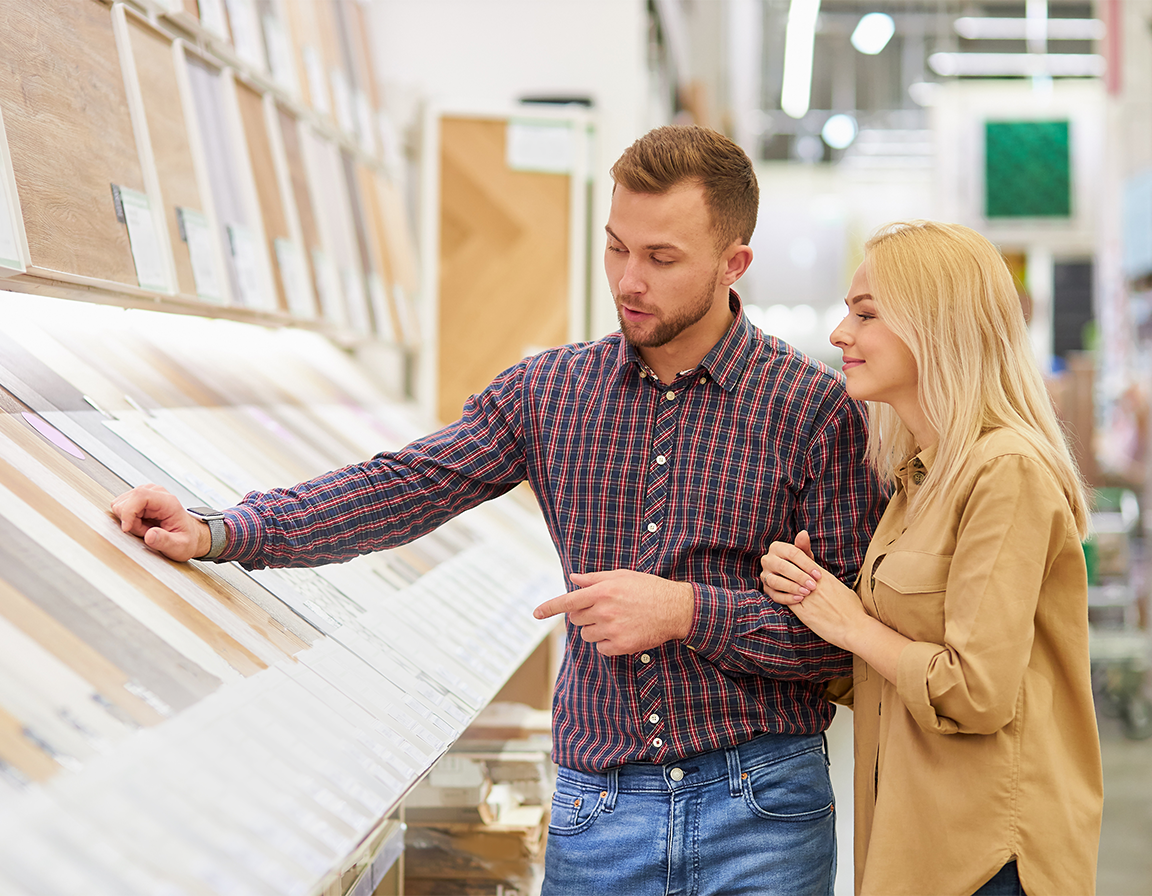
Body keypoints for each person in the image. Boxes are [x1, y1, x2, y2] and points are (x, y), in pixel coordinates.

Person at [111, 125, 887, 895]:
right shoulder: (549, 392)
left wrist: (687, 610)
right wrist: (220, 529)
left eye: (661, 258)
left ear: (733, 264)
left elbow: (845, 648)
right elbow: (401, 486)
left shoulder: (815, 412)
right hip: (599, 811)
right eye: (616, 247)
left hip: (762, 807)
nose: (628, 281)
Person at [761, 220, 1103, 896]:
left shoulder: (1006, 471)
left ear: (935, 328)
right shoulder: (918, 480)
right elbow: (894, 669)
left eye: (865, 314)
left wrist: (850, 623)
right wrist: (811, 603)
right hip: (915, 845)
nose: (839, 335)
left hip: (988, 857)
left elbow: (974, 691)